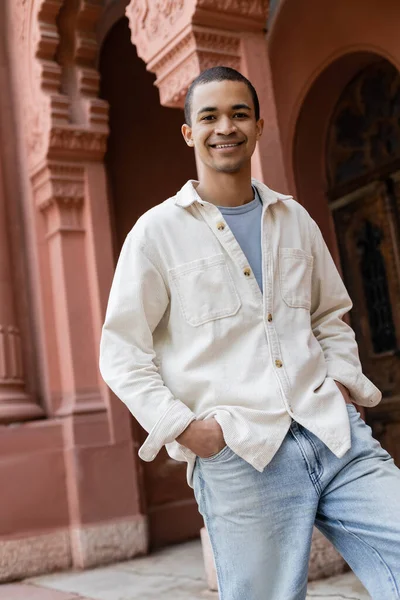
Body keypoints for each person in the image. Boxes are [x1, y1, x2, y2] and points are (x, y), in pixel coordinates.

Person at [99, 66, 400, 600]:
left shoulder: (295, 220)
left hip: (332, 432)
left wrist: (342, 383)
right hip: (241, 454)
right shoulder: (156, 233)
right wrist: (187, 430)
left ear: (259, 126)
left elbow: (330, 314)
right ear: (189, 132)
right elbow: (121, 353)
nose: (226, 128)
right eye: (209, 116)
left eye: (239, 114)